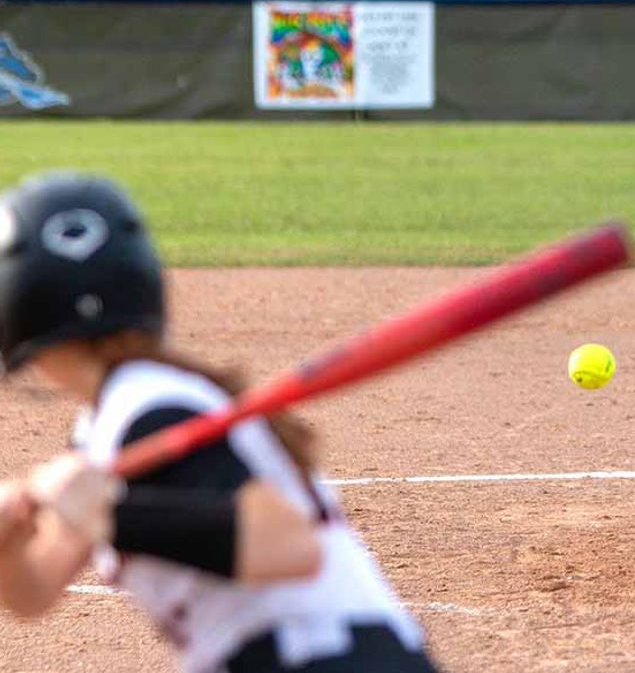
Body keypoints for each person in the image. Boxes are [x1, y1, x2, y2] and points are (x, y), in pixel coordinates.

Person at [0, 173, 439, 673]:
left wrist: (108, 515)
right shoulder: (107, 423)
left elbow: (290, 544)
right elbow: (34, 591)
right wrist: (8, 544)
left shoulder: (152, 407)